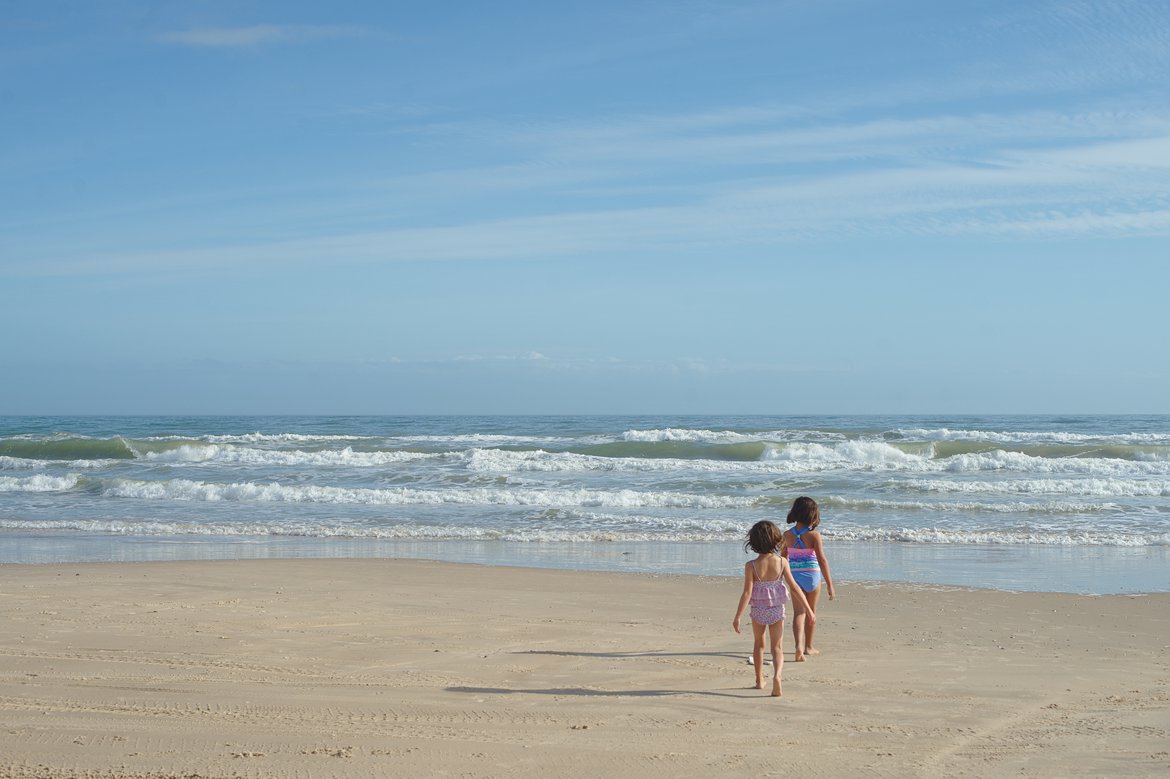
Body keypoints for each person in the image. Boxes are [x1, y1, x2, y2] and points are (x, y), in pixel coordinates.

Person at [732, 520, 815, 697]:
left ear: (753, 542)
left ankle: (759, 680)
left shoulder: (751, 566)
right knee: (777, 647)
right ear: (776, 540)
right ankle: (777, 677)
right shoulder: (782, 562)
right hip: (777, 610)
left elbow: (747, 593)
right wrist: (808, 608)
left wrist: (737, 616)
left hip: (758, 611)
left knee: (759, 645)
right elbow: (794, 587)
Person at [781, 496, 835, 661]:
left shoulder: (787, 535)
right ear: (813, 515)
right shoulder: (814, 536)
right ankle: (808, 647)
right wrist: (830, 585)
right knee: (811, 612)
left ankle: (798, 646)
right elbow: (822, 560)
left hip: (795, 577)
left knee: (799, 613)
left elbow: (783, 558)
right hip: (812, 577)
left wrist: (780, 577)